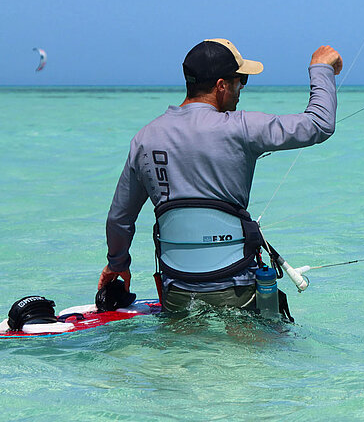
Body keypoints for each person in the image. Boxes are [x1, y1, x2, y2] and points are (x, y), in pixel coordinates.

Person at [97, 38, 342, 312]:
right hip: (239, 293)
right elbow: (319, 125)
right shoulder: (242, 127)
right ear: (221, 86)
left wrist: (117, 265)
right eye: (241, 81)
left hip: (176, 294)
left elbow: (120, 218)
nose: (241, 90)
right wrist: (321, 68)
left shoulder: (144, 138)